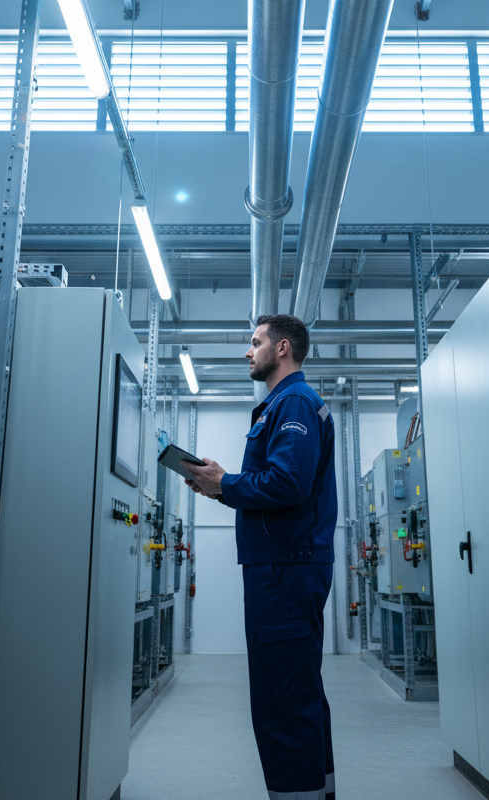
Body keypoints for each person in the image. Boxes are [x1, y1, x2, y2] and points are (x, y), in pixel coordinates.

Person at [185, 314, 338, 800]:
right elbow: (281, 480)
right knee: (299, 693)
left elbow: (288, 483)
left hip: (285, 566)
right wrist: (224, 484)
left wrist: (224, 485)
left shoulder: (291, 401)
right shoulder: (283, 405)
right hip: (285, 562)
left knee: (282, 700)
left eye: (255, 343)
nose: (247, 352)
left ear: (283, 348)